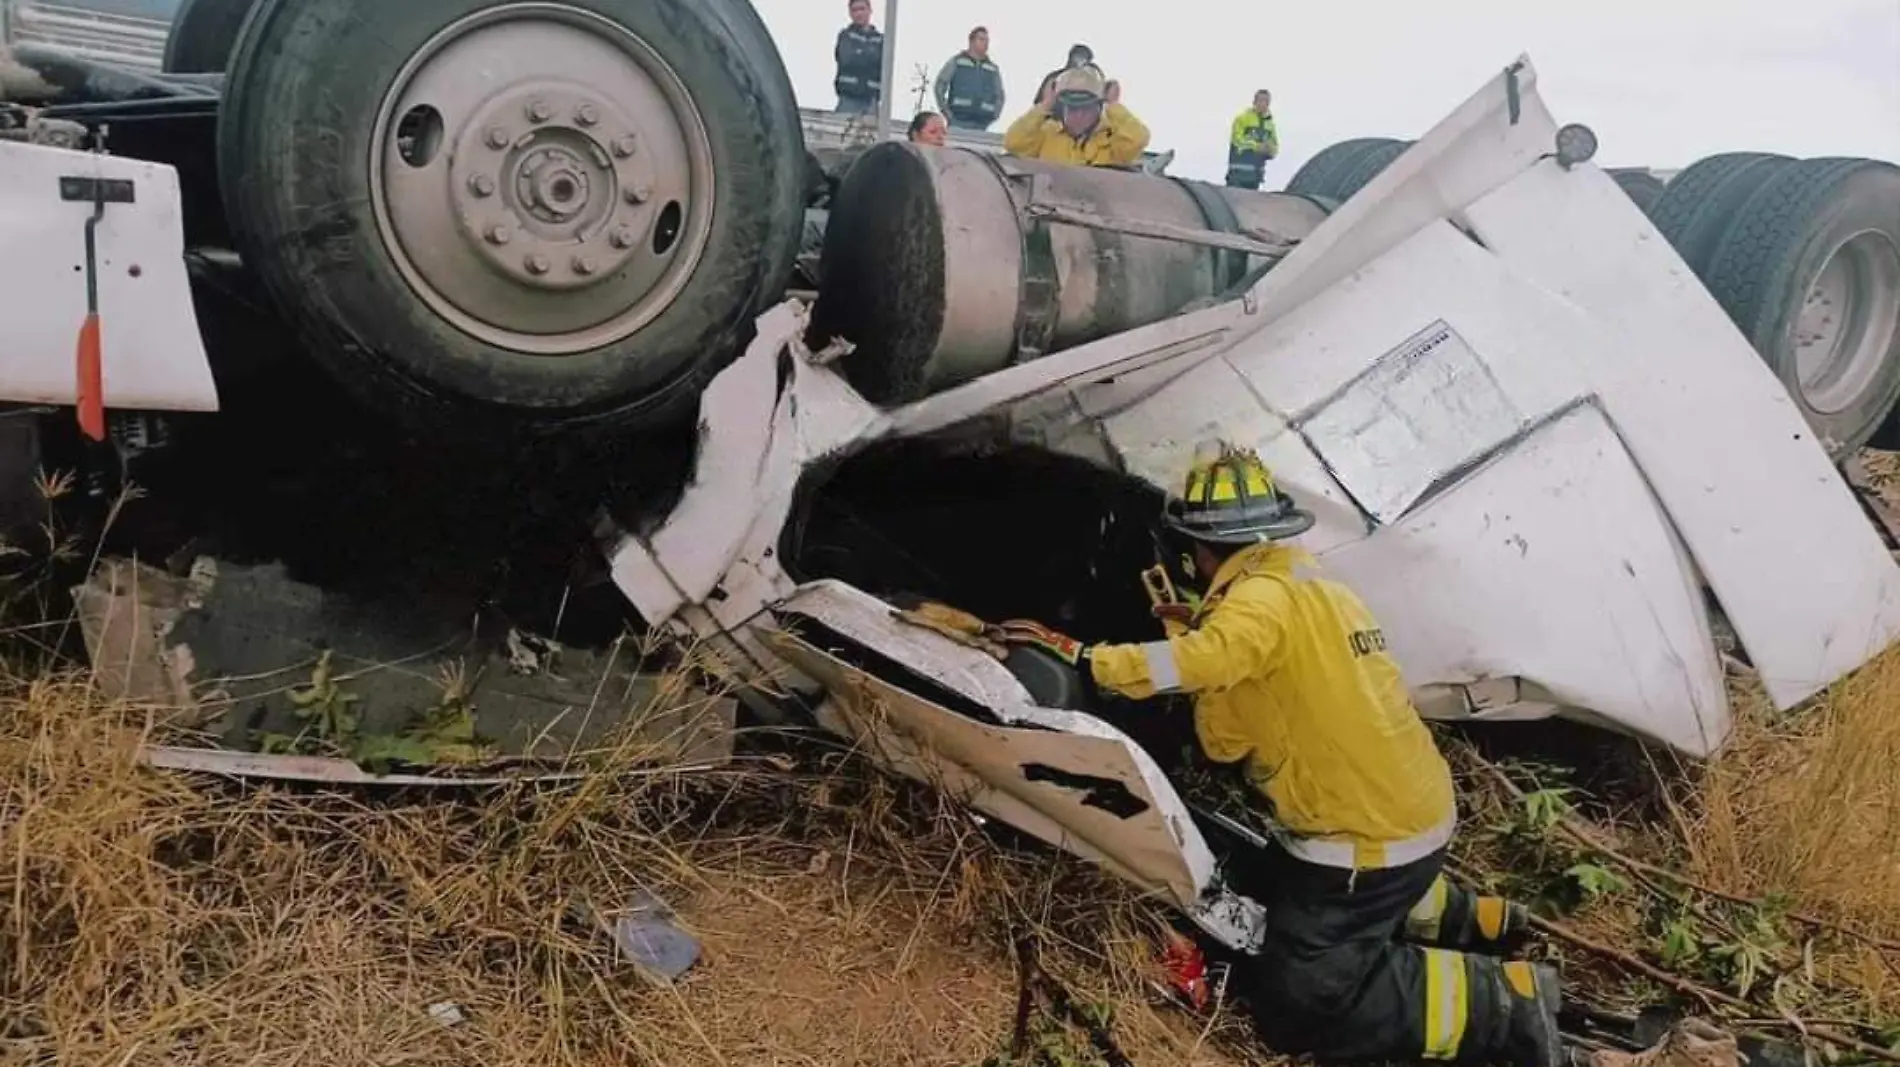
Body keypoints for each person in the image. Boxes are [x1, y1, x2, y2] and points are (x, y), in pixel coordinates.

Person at [994, 441, 1566, 1067]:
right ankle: (1467, 919)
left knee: (1303, 998)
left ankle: (1504, 1004)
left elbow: (1209, 662)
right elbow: (1229, 731)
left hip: (1362, 846)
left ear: (1198, 548)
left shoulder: (1255, 607)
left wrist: (1086, 659)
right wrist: (1195, 627)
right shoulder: (1310, 586)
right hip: (1407, 816)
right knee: (1278, 883)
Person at [1003, 65, 1150, 168]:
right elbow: (1014, 143)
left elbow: (1138, 138)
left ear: (1098, 108)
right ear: (1063, 108)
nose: (1079, 115)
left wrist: (1113, 104)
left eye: (1086, 108)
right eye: (1073, 109)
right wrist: (1046, 104)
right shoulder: (1047, 134)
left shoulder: (1111, 141)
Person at [934, 26, 1006, 131]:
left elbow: (1000, 95)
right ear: (971, 41)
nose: (985, 44)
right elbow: (940, 86)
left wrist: (995, 114)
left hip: (982, 123)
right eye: (981, 39)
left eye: (987, 41)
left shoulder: (992, 69)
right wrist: (946, 112)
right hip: (957, 121)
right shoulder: (957, 62)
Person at [832, 0, 884, 116]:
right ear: (850, 13)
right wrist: (870, 56)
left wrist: (860, 54)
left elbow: (884, 66)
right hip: (849, 97)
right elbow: (847, 60)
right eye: (855, 10)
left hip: (872, 99)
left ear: (870, 11)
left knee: (872, 133)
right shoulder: (846, 35)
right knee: (842, 131)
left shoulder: (880, 39)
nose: (859, 13)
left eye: (862, 9)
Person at [1227, 90, 1280, 190]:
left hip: (1256, 176)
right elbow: (1237, 141)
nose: (1263, 104)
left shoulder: (1270, 124)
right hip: (1238, 175)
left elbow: (1275, 146)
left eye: (1266, 102)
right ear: (1254, 102)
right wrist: (1256, 147)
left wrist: (1270, 151)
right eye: (1260, 101)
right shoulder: (1242, 118)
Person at [1035, 43, 1097, 108]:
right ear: (1072, 57)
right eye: (1080, 57)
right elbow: (1039, 103)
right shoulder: (1054, 78)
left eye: (1086, 59)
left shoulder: (1091, 80)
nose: (1083, 61)